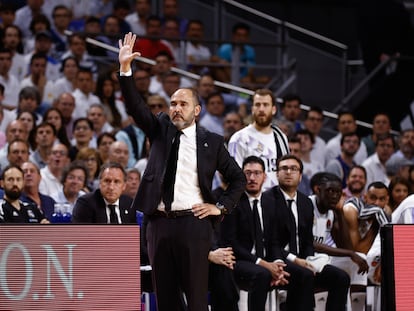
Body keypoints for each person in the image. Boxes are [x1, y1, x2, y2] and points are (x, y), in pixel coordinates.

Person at [118, 32, 246, 311]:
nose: (175, 109)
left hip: (194, 225)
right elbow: (136, 108)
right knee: (165, 300)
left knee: (197, 300)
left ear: (197, 110)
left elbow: (238, 178)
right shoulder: (160, 128)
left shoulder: (212, 142)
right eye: (173, 103)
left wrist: (220, 207)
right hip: (159, 224)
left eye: (183, 104)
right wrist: (125, 70)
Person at [262, 154, 350, 311]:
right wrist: (296, 260)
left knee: (341, 277)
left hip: (303, 259)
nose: (288, 172)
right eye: (284, 168)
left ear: (300, 176)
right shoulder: (267, 200)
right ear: (276, 174)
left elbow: (307, 241)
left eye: (293, 169)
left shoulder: (305, 202)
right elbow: (270, 242)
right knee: (305, 275)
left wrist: (311, 260)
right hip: (277, 258)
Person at [222, 156, 289, 310]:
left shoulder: (270, 202)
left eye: (257, 173)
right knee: (262, 274)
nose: (252, 178)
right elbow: (233, 244)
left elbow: (274, 240)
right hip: (239, 261)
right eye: (248, 173)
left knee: (301, 274)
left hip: (265, 260)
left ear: (264, 177)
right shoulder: (232, 202)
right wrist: (265, 265)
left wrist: (278, 264)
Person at [228, 88, 289, 191]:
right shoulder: (239, 138)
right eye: (257, 105)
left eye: (265, 105)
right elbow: (234, 177)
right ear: (252, 109)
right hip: (250, 200)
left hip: (277, 200)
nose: (261, 109)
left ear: (273, 109)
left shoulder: (281, 137)